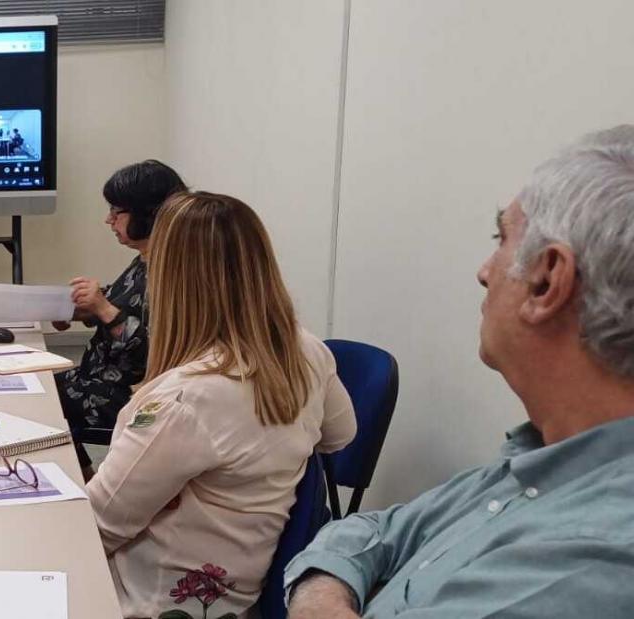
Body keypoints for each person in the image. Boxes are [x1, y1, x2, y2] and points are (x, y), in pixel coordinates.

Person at [286, 125, 634, 617]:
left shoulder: (596, 560)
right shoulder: (539, 457)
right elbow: (370, 530)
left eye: (502, 238)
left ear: (546, 280)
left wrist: (321, 590)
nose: (485, 270)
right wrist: (323, 596)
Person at [88, 191, 356, 618]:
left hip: (143, 601)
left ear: (171, 280)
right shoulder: (306, 350)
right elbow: (341, 436)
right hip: (235, 591)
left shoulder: (184, 399)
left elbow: (95, 528)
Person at [53, 160, 186, 474]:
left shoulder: (174, 271)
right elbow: (121, 302)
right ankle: (84, 474)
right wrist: (79, 309)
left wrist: (103, 309)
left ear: (147, 213)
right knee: (38, 388)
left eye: (117, 212)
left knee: (40, 399)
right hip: (97, 379)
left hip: (129, 394)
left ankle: (82, 478)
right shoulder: (146, 258)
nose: (108, 220)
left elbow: (153, 351)